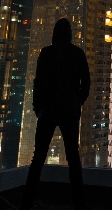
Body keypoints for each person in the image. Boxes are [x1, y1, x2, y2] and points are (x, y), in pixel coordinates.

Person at [19, 18, 90, 210]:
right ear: (69, 33)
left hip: (48, 110)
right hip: (70, 110)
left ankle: (26, 203)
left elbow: (38, 82)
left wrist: (38, 108)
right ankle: (79, 203)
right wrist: (77, 103)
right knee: (73, 158)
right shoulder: (78, 53)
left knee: (38, 157)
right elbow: (87, 84)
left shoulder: (47, 53)